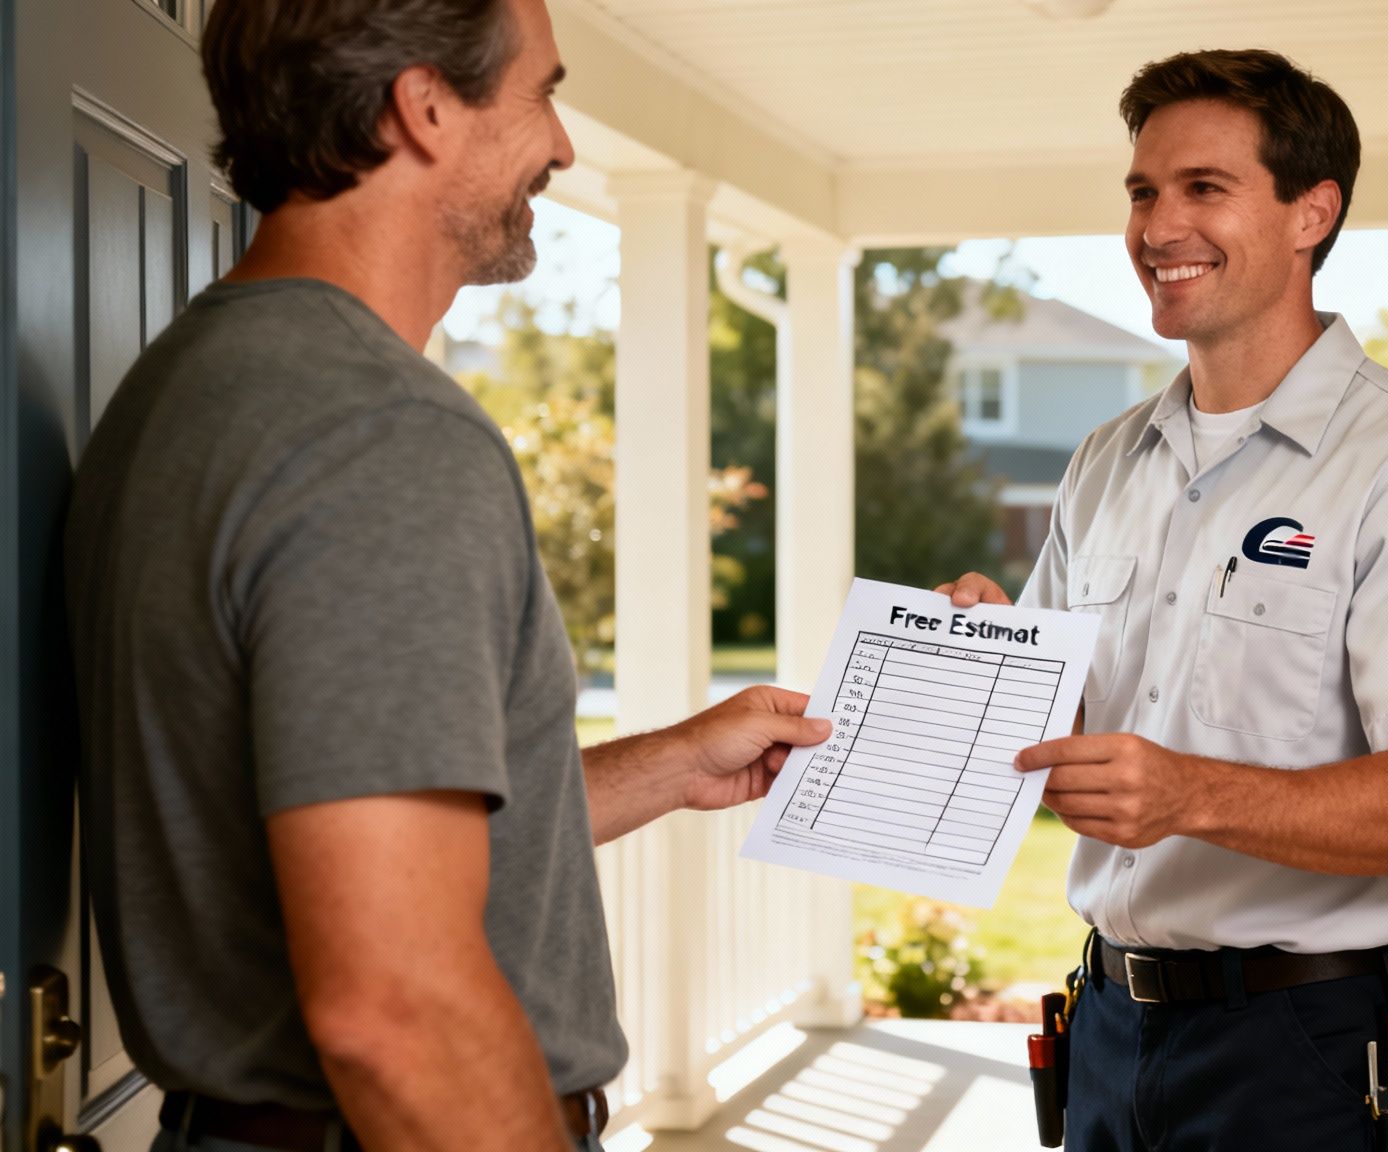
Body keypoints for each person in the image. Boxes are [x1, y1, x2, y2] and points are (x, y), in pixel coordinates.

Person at [64, 2, 827, 1150]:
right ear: (423, 107)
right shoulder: (380, 432)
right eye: (542, 93)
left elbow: (352, 823)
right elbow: (396, 1009)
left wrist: (669, 765)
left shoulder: (187, 386)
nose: (563, 145)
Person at [939, 49, 1388, 1149]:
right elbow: (1061, 741)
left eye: (1202, 189)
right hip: (1106, 1029)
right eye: (1141, 191)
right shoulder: (1103, 463)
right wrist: (981, 663)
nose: (1157, 227)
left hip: (1304, 1049)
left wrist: (1189, 795)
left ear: (1312, 212)